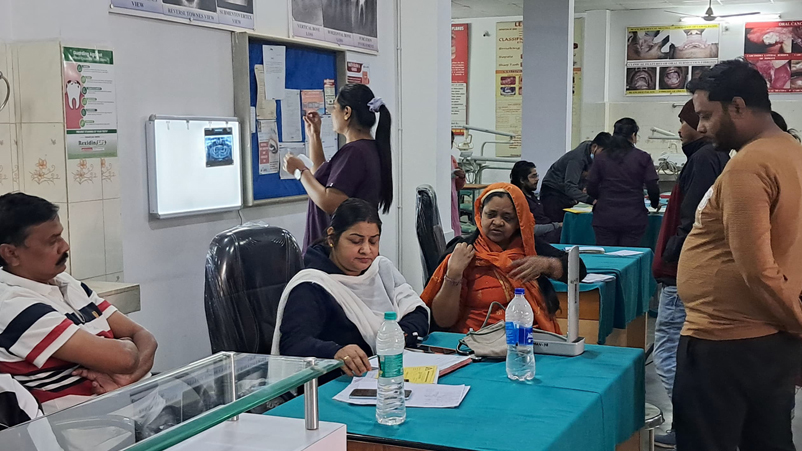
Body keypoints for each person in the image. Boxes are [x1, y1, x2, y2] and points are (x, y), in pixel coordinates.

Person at [675, 59, 802, 451]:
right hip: (767, 339)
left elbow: (757, 269)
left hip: (725, 344)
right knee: (768, 440)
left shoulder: (748, 165)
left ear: (738, 106)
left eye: (707, 116)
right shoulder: (791, 151)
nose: (701, 128)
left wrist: (798, 322)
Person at [0, 193, 157, 414]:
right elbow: (125, 357)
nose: (65, 247)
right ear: (11, 253)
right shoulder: (12, 304)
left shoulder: (64, 281)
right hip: (95, 426)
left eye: (61, 236)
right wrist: (128, 347)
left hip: (145, 407)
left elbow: (145, 336)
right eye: (52, 241)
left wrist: (127, 377)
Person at [272, 199, 429, 380]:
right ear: (332, 237)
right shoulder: (313, 285)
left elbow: (417, 310)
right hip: (334, 382)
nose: (366, 250)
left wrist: (399, 334)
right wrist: (335, 352)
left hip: (384, 373)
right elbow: (293, 344)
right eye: (356, 241)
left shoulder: (381, 270)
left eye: (373, 241)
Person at [651, 99, 729, 449]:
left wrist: (673, 254)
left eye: (685, 121)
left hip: (681, 273)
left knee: (668, 352)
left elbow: (694, 218)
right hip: (693, 272)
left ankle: (689, 426)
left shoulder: (702, 160)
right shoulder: (714, 157)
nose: (681, 129)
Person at [420, 183, 586, 334]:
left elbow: (579, 270)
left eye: (507, 218)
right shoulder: (463, 251)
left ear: (519, 221)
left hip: (527, 340)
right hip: (474, 341)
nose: (498, 222)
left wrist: (547, 265)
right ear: (480, 214)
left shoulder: (529, 247)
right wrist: (453, 274)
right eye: (491, 215)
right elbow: (442, 322)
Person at [283, 83, 393, 250]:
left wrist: (300, 171)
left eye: (334, 108)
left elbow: (330, 202)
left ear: (347, 112)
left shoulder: (354, 152)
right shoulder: (367, 148)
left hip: (338, 253)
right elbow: (322, 178)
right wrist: (314, 135)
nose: (332, 114)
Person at [586, 118, 660, 247]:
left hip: (605, 216)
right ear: (633, 135)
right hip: (633, 217)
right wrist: (654, 203)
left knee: (606, 254)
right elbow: (652, 185)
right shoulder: (642, 157)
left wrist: (602, 198)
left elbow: (591, 186)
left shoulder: (601, 158)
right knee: (629, 254)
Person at [540, 132, 612, 222]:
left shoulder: (591, 154)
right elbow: (570, 187)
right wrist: (591, 200)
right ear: (594, 147)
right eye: (603, 153)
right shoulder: (577, 159)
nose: (605, 157)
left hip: (565, 194)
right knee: (559, 226)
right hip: (553, 194)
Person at [510, 161, 562, 243]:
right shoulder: (519, 200)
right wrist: (556, 225)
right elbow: (530, 229)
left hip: (549, 232)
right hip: (539, 239)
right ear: (522, 180)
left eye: (536, 175)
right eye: (533, 176)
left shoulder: (532, 196)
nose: (537, 179)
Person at [451, 131, 466, 237]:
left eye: (452, 142)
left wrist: (461, 176)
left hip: (452, 199)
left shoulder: (452, 160)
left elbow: (458, 186)